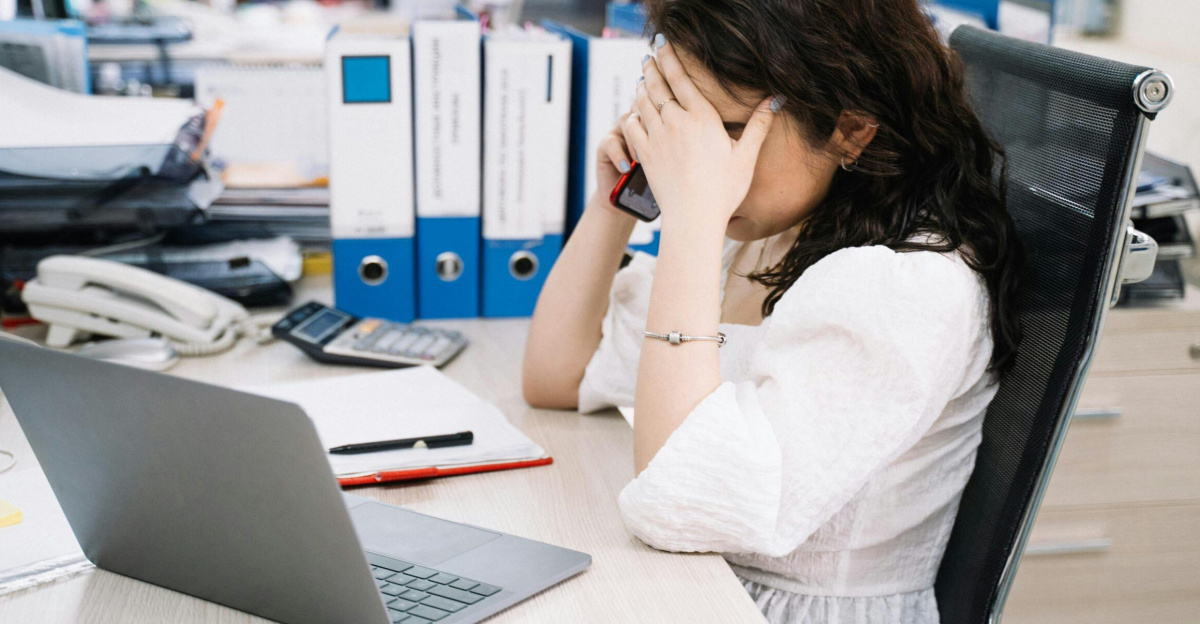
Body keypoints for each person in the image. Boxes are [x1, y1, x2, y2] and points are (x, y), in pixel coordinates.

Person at [522, 0, 1024, 622]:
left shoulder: (905, 288)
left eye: (726, 130)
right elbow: (557, 376)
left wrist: (694, 220)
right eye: (680, 122)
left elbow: (685, 503)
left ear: (852, 129)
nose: (696, 160)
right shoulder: (764, 232)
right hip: (703, 588)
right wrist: (614, 205)